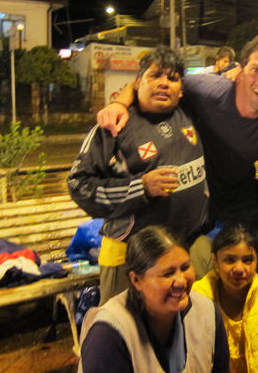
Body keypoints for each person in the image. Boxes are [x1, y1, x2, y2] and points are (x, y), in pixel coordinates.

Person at [97, 34, 258, 287]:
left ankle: (253, 324)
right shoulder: (208, 90)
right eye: (255, 69)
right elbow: (155, 81)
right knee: (186, 275)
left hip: (240, 197)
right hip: (198, 200)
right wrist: (119, 103)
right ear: (241, 71)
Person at [68, 46, 211, 305]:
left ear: (182, 88)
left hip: (183, 250)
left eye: (172, 78)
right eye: (154, 76)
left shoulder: (190, 113)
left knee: (179, 328)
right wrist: (140, 187)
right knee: (122, 330)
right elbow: (79, 185)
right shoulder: (114, 126)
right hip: (129, 256)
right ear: (138, 82)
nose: (163, 84)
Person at [79, 226, 230, 373]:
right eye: (168, 273)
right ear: (136, 280)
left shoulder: (206, 312)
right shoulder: (107, 334)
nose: (181, 281)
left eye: (185, 268)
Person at [193, 223, 258, 373]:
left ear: (257, 262)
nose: (239, 268)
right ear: (215, 260)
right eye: (229, 260)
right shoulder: (196, 299)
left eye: (247, 260)